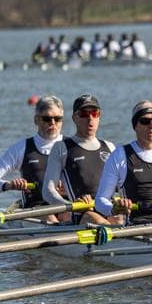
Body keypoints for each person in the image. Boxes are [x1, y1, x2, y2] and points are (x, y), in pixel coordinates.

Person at [95, 101, 152, 227]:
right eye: (145, 121)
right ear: (135, 126)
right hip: (140, 224)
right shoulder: (120, 155)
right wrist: (114, 209)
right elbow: (100, 200)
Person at [0, 95, 65, 218]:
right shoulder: (22, 148)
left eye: (57, 119)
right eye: (47, 119)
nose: (53, 123)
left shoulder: (72, 146)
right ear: (36, 120)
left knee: (74, 216)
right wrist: (9, 185)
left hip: (66, 206)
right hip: (36, 210)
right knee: (50, 217)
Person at [42, 94, 116, 225]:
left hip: (109, 208)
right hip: (82, 212)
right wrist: (70, 206)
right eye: (84, 114)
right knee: (103, 224)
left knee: (121, 219)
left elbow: (122, 186)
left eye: (95, 113)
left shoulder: (110, 147)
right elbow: (48, 191)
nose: (90, 118)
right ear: (74, 118)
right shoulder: (61, 148)